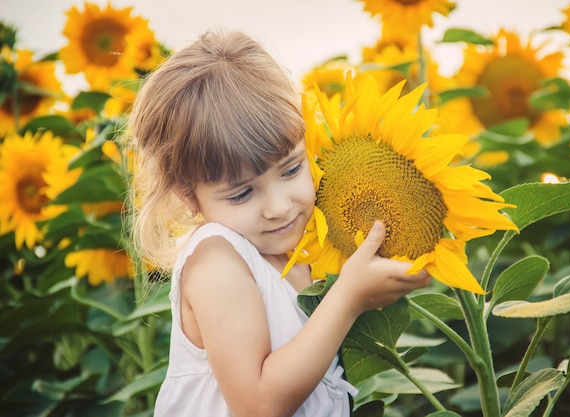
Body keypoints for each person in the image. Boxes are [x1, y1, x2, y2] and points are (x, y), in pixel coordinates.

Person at [128, 28, 432, 417]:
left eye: (291, 169)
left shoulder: (304, 241)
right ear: (189, 196)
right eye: (241, 194)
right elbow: (259, 405)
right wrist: (349, 298)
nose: (278, 206)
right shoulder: (217, 262)